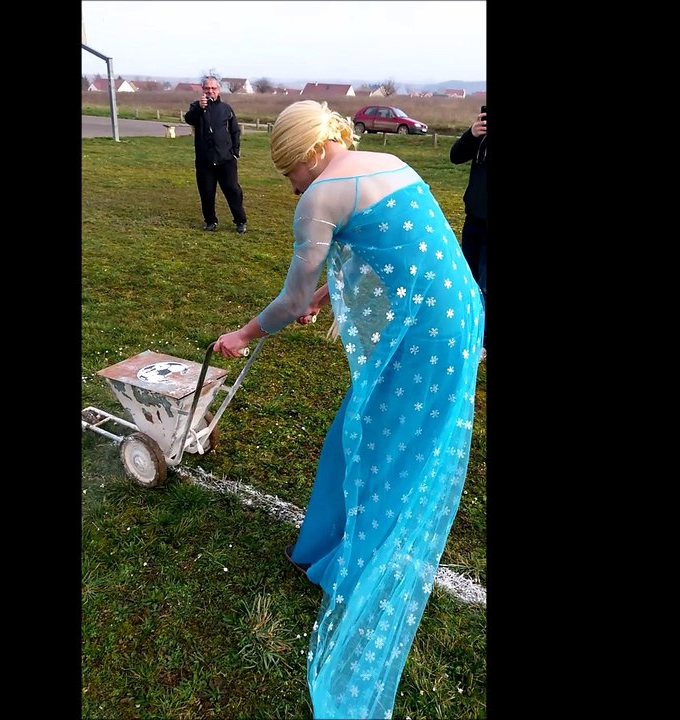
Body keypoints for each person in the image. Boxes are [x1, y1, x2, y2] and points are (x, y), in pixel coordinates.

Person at [213, 100, 483, 720]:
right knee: (356, 431)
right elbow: (399, 257)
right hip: (460, 315)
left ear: (310, 153)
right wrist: (320, 296)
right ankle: (329, 541)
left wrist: (243, 335)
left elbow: (290, 299)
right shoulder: (384, 159)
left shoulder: (320, 198)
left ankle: (360, 576)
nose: (293, 186)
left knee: (392, 452)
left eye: (290, 172)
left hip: (428, 341)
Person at [183, 76, 248, 234]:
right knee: (206, 192)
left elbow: (235, 131)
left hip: (226, 159)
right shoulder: (196, 107)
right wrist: (199, 108)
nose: (210, 91)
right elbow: (189, 119)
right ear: (202, 89)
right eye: (207, 88)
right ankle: (210, 221)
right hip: (205, 160)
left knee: (233, 190)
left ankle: (240, 221)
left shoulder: (226, 108)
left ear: (218, 90)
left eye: (213, 88)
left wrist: (235, 151)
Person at [450, 106, 488, 358]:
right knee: (469, 280)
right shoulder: (482, 136)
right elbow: (456, 156)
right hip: (474, 220)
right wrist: (472, 134)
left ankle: (482, 342)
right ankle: (468, 330)